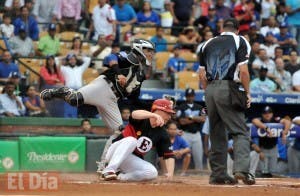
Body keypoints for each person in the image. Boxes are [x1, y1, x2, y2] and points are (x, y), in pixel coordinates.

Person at [40, 39, 155, 169]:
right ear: (139, 48)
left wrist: (153, 107)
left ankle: (104, 165)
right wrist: (118, 74)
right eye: (148, 50)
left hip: (112, 99)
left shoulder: (140, 75)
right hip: (103, 86)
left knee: (120, 132)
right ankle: (64, 90)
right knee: (74, 100)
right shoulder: (129, 57)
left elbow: (134, 99)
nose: (151, 53)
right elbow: (110, 58)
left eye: (151, 51)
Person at [198, 18, 254, 185]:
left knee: (217, 133)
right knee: (241, 131)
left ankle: (218, 174)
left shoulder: (207, 43)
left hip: (210, 89)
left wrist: (209, 91)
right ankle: (241, 171)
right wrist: (248, 93)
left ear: (222, 28)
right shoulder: (240, 40)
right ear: (237, 30)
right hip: (228, 86)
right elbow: (243, 72)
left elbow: (201, 75)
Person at [101, 98, 175, 181]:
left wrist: (170, 173)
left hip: (130, 159)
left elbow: (169, 156)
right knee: (132, 140)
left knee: (152, 172)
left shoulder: (162, 133)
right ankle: (109, 169)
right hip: (114, 152)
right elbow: (134, 114)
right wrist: (154, 115)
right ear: (159, 111)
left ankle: (121, 177)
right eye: (168, 113)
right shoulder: (143, 118)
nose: (169, 117)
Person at [252, 106, 291, 177]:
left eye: (269, 113)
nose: (267, 114)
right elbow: (254, 120)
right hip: (262, 149)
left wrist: (285, 132)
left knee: (273, 171)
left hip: (273, 148)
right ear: (262, 114)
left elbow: (287, 121)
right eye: (265, 113)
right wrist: (266, 128)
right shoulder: (261, 120)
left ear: (272, 113)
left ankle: (272, 187)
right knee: (262, 171)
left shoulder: (276, 120)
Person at [176, 88, 205, 171]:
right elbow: (182, 122)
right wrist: (196, 119)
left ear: (194, 96)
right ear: (186, 97)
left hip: (196, 135)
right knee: (183, 155)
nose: (190, 98)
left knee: (198, 156)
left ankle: (199, 174)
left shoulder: (199, 107)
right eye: (188, 96)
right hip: (185, 134)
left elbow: (203, 119)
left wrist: (190, 117)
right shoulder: (181, 107)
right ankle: (181, 173)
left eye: (192, 96)